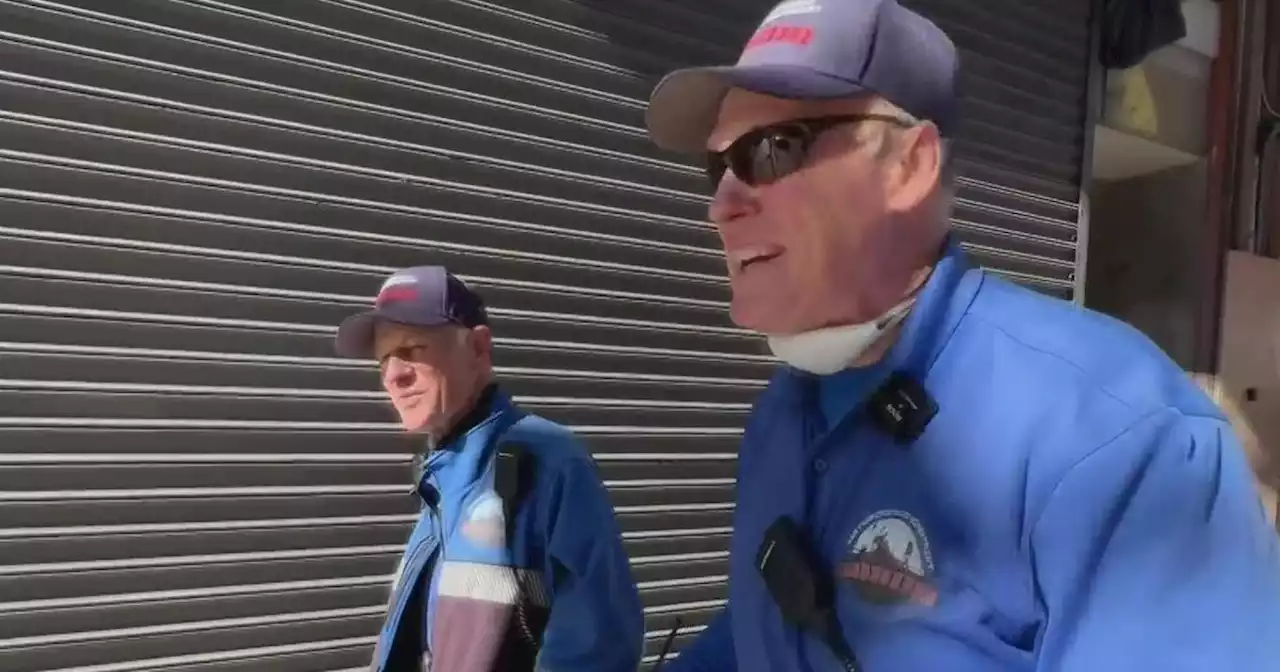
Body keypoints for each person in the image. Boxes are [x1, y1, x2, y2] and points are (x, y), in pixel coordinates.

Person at [643, 0, 1280, 670]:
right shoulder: (781, 414)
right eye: (717, 168)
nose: (722, 207)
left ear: (909, 167)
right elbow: (757, 638)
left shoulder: (1120, 440)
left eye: (770, 151)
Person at [335, 265, 643, 671]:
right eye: (383, 360)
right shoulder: (440, 481)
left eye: (412, 350)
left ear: (478, 349)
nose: (394, 375)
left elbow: (596, 650)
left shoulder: (547, 461)